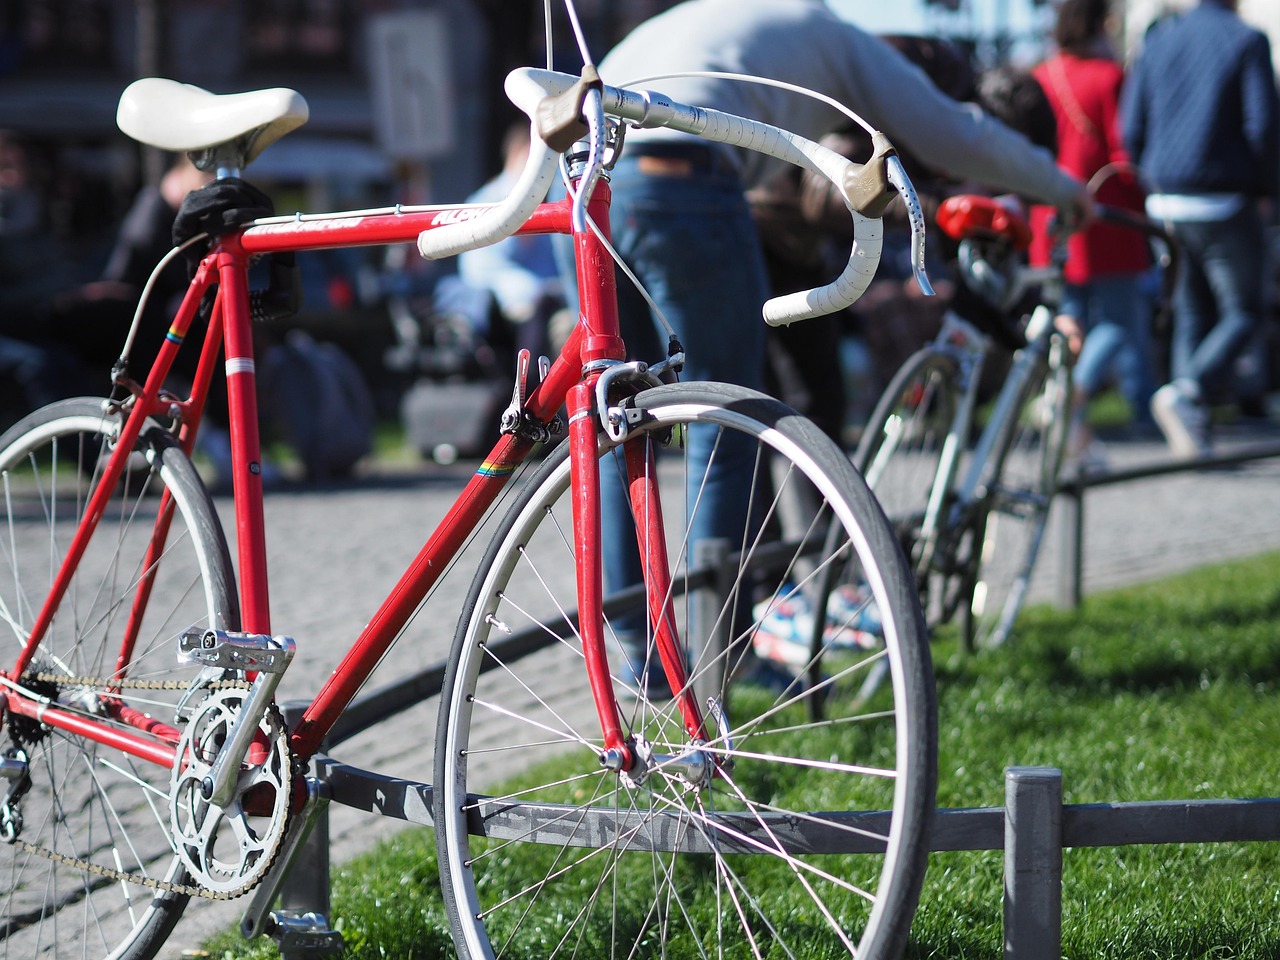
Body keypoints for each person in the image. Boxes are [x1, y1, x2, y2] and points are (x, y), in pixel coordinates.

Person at [569, 0, 1093, 692]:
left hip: (577, 167)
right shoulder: (840, 41)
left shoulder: (740, 23)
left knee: (616, 421)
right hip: (680, 171)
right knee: (728, 421)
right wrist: (1064, 191)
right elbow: (951, 133)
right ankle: (721, 657)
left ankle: (638, 655)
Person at [1122, 0, 1280, 459]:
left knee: (1192, 313)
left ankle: (1190, 428)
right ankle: (1188, 395)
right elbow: (1264, 126)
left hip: (1165, 199)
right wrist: (1269, 186)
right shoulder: (1246, 39)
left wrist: (1152, 175)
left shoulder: (1159, 39)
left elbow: (1132, 127)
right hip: (1223, 198)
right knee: (1245, 310)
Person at [1031, 0, 1154, 466]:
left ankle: (1074, 437)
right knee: (1120, 322)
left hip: (1052, 212)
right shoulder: (1107, 76)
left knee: (1070, 324)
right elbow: (1122, 152)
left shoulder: (1042, 75)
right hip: (1103, 214)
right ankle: (1070, 399)